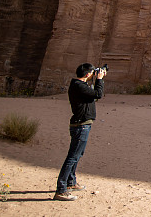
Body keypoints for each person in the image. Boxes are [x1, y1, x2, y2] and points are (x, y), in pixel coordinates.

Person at [54, 62, 106, 201]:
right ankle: (61, 189)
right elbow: (98, 94)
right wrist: (100, 79)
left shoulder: (80, 86)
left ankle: (70, 182)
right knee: (72, 157)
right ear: (88, 74)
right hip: (81, 125)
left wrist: (96, 80)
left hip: (82, 124)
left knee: (77, 154)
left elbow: (93, 96)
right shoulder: (79, 86)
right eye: (92, 73)